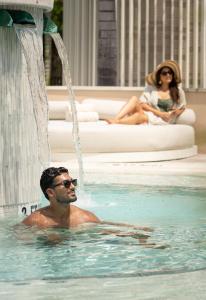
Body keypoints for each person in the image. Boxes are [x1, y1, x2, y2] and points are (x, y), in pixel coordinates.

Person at [22, 167, 151, 233]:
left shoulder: (84, 217)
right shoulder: (36, 220)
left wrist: (134, 231)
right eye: (66, 184)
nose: (72, 187)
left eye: (73, 182)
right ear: (50, 192)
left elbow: (105, 228)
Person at [106, 60, 186, 125]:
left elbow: (182, 107)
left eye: (170, 72)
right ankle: (116, 119)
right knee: (134, 98)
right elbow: (142, 104)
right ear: (159, 77)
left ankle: (117, 122)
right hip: (152, 114)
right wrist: (158, 113)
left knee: (139, 116)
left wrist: (175, 113)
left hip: (164, 120)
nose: (168, 75)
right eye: (164, 73)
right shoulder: (152, 89)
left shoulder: (178, 91)